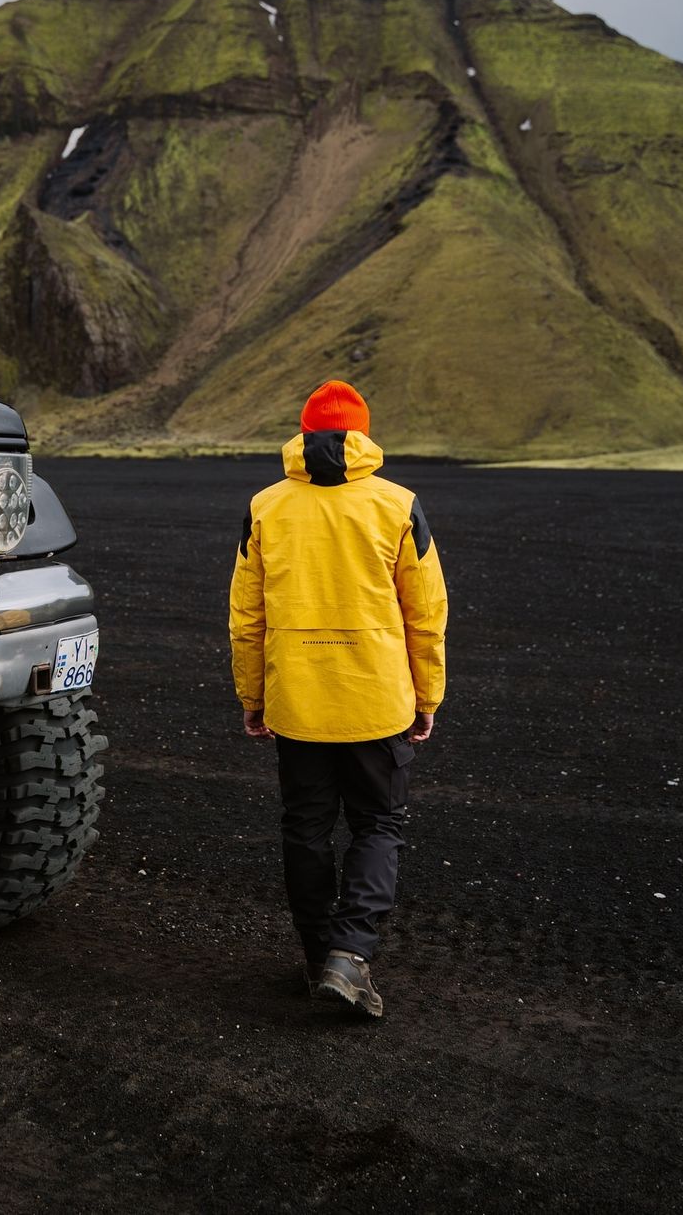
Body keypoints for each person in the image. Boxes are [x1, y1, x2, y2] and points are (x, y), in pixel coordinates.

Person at [228, 379, 447, 1016]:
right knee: (379, 824)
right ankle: (350, 959)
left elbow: (246, 614)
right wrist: (427, 693)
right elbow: (426, 613)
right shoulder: (399, 506)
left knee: (306, 831)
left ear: (304, 436)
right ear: (362, 435)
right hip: (377, 700)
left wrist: (254, 693)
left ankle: (317, 956)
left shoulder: (266, 506)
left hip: (297, 700)